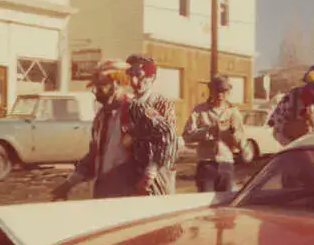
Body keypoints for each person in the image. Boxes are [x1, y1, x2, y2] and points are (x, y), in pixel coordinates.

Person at [51, 58, 176, 200]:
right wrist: (69, 183)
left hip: (130, 195)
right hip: (105, 192)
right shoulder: (101, 117)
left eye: (102, 85)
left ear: (117, 84)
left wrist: (150, 173)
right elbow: (94, 155)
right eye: (95, 86)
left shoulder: (134, 109)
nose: (96, 91)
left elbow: (167, 134)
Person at [125, 53, 178, 194]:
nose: (134, 81)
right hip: (135, 172)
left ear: (152, 77)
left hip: (158, 174)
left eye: (139, 75)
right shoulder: (130, 105)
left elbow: (169, 137)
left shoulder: (161, 103)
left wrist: (150, 173)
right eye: (130, 75)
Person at [183, 74, 246, 192]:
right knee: (204, 203)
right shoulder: (200, 110)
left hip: (226, 163)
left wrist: (233, 134)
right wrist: (207, 131)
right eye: (217, 90)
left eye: (224, 91)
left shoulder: (233, 112)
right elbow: (187, 135)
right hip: (206, 164)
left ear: (229, 92)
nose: (220, 95)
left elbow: (241, 142)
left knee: (224, 204)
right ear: (211, 91)